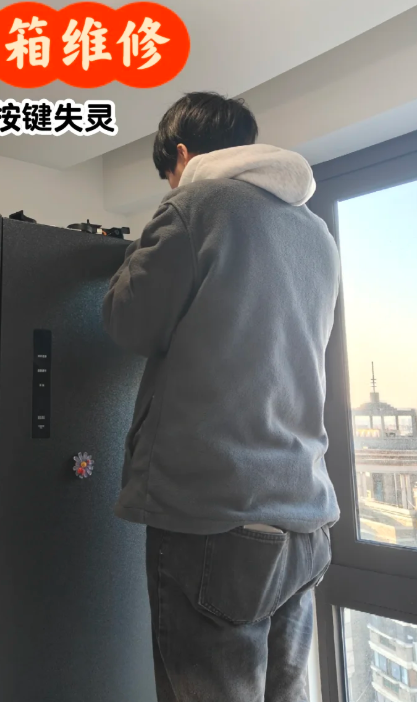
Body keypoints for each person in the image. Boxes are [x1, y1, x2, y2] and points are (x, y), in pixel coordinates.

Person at [103, 92, 340, 702]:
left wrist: (135, 249)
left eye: (169, 175)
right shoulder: (315, 232)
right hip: (304, 515)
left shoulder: (197, 204)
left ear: (181, 157)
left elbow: (129, 322)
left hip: (217, 516)